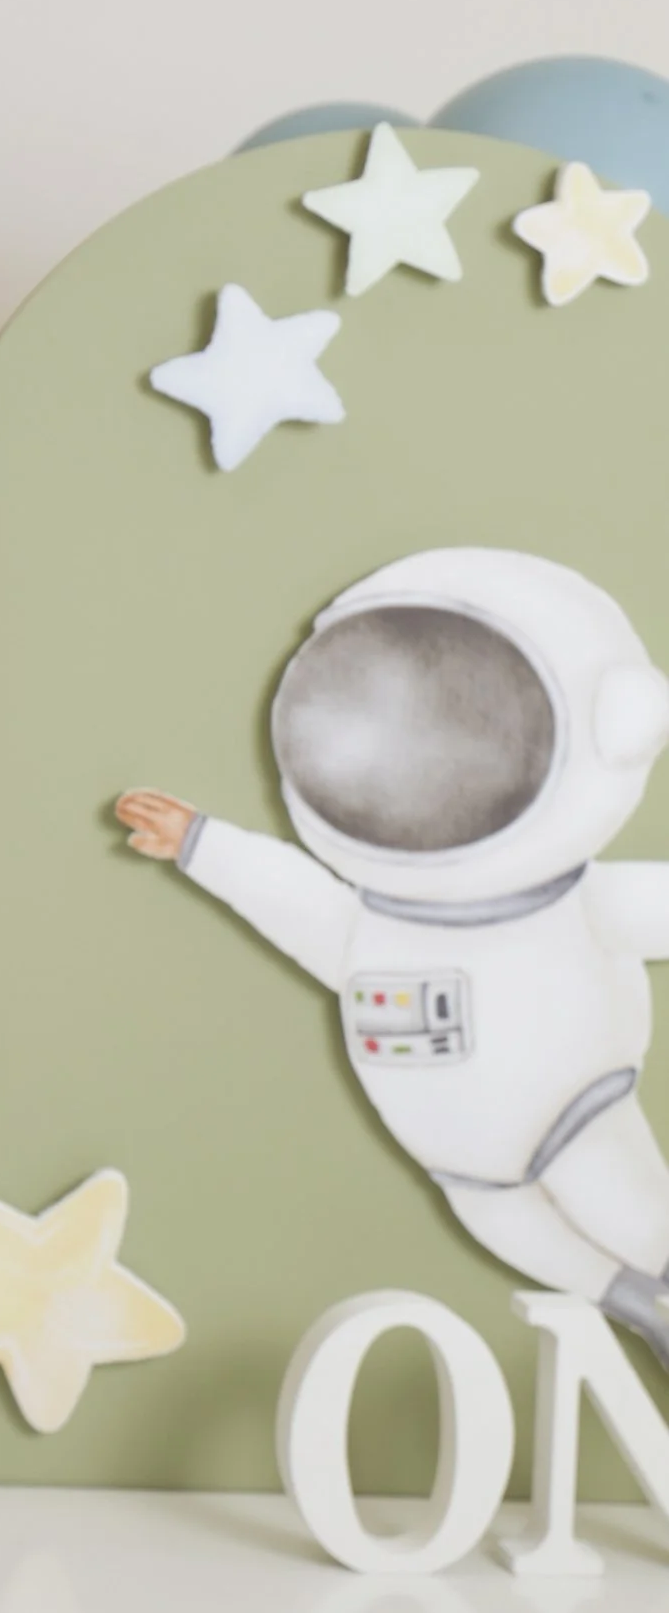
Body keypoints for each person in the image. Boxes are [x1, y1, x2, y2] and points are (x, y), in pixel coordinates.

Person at [116, 544, 669, 1373]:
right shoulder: (370, 923)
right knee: (533, 1241)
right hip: (462, 1171)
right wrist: (203, 844)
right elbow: (291, 897)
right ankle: (639, 1309)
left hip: (575, 1117)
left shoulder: (569, 905)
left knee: (637, 1222)